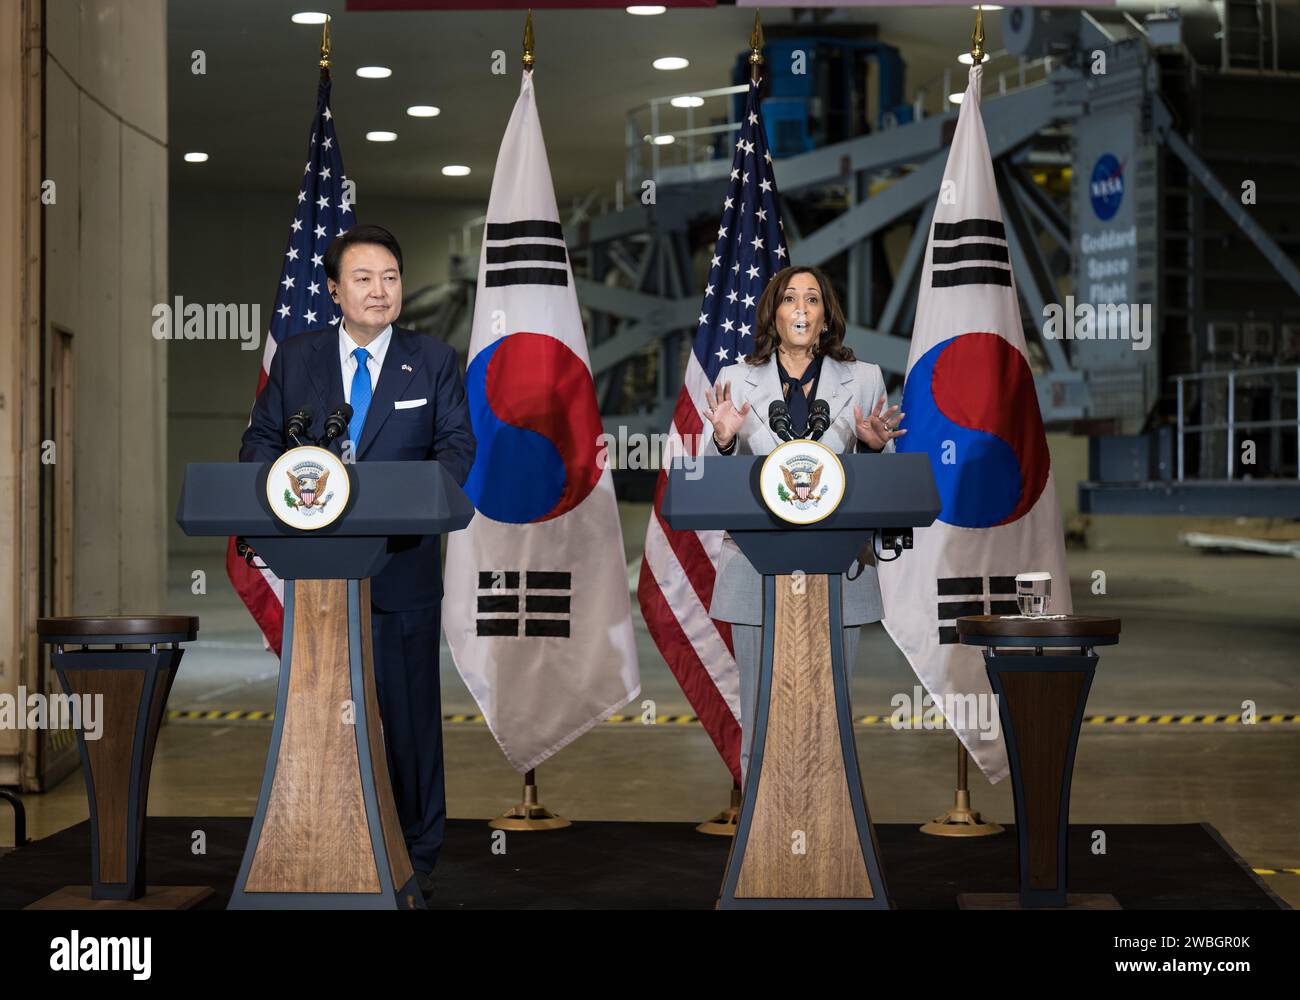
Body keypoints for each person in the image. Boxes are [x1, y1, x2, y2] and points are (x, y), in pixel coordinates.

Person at [239, 224, 475, 902]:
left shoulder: (434, 360)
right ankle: (321, 842)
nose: (381, 290)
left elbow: (456, 451)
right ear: (335, 290)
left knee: (409, 723)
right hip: (317, 575)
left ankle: (416, 859)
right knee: (323, 714)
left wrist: (416, 506)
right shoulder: (298, 359)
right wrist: (270, 499)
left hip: (401, 570)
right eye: (365, 279)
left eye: (391, 277)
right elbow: (259, 440)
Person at [701, 265, 906, 783]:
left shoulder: (863, 379)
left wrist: (878, 450)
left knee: (827, 712)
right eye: (789, 298)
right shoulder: (734, 378)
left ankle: (831, 836)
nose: (800, 307)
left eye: (812, 299)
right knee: (761, 710)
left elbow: (881, 486)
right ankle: (758, 840)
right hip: (754, 563)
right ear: (773, 312)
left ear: (825, 316)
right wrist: (724, 440)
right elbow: (715, 482)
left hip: (839, 568)